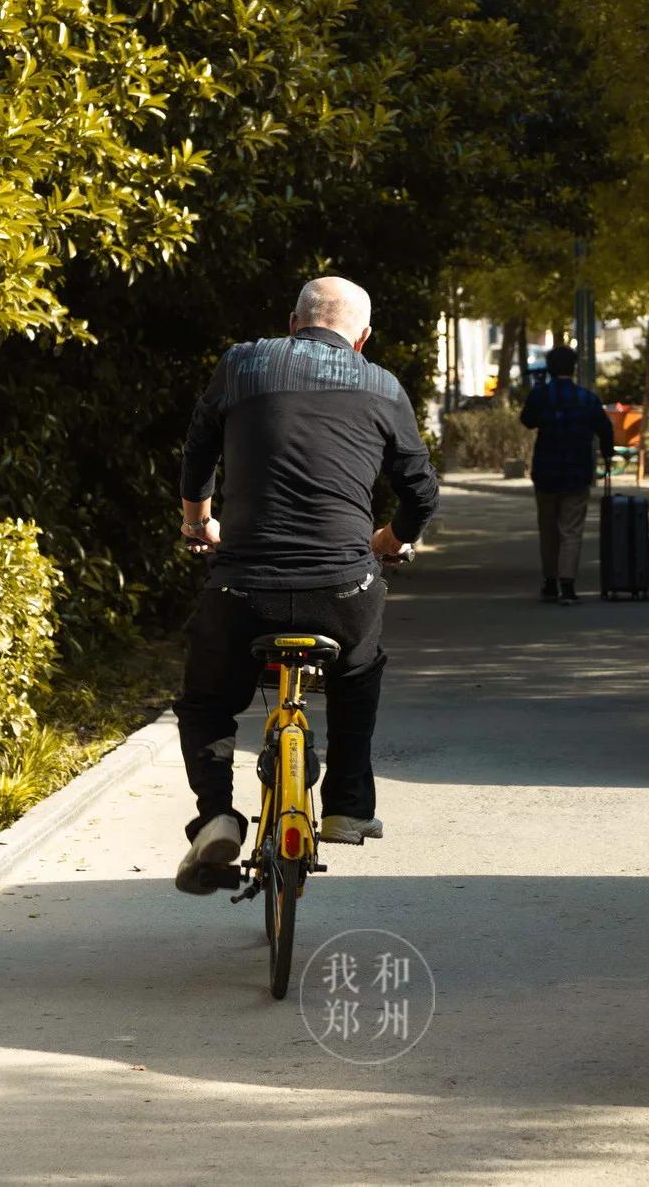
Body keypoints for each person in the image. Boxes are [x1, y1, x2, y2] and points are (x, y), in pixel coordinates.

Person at [173, 276, 439, 894]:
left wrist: (198, 522)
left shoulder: (242, 363)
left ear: (293, 321)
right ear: (363, 338)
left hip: (243, 588)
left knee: (207, 699)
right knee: (358, 669)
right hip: (344, 589)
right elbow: (421, 491)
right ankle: (346, 803)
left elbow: (198, 453)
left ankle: (215, 816)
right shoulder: (381, 384)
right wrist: (390, 542)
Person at [520, 345, 614, 605]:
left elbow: (527, 420)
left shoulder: (542, 396)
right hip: (577, 472)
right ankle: (568, 584)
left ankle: (550, 583)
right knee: (571, 529)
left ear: (549, 368)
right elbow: (605, 428)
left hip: (546, 472)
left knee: (548, 528)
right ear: (573, 368)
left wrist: (537, 389)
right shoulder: (586, 398)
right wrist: (607, 454)